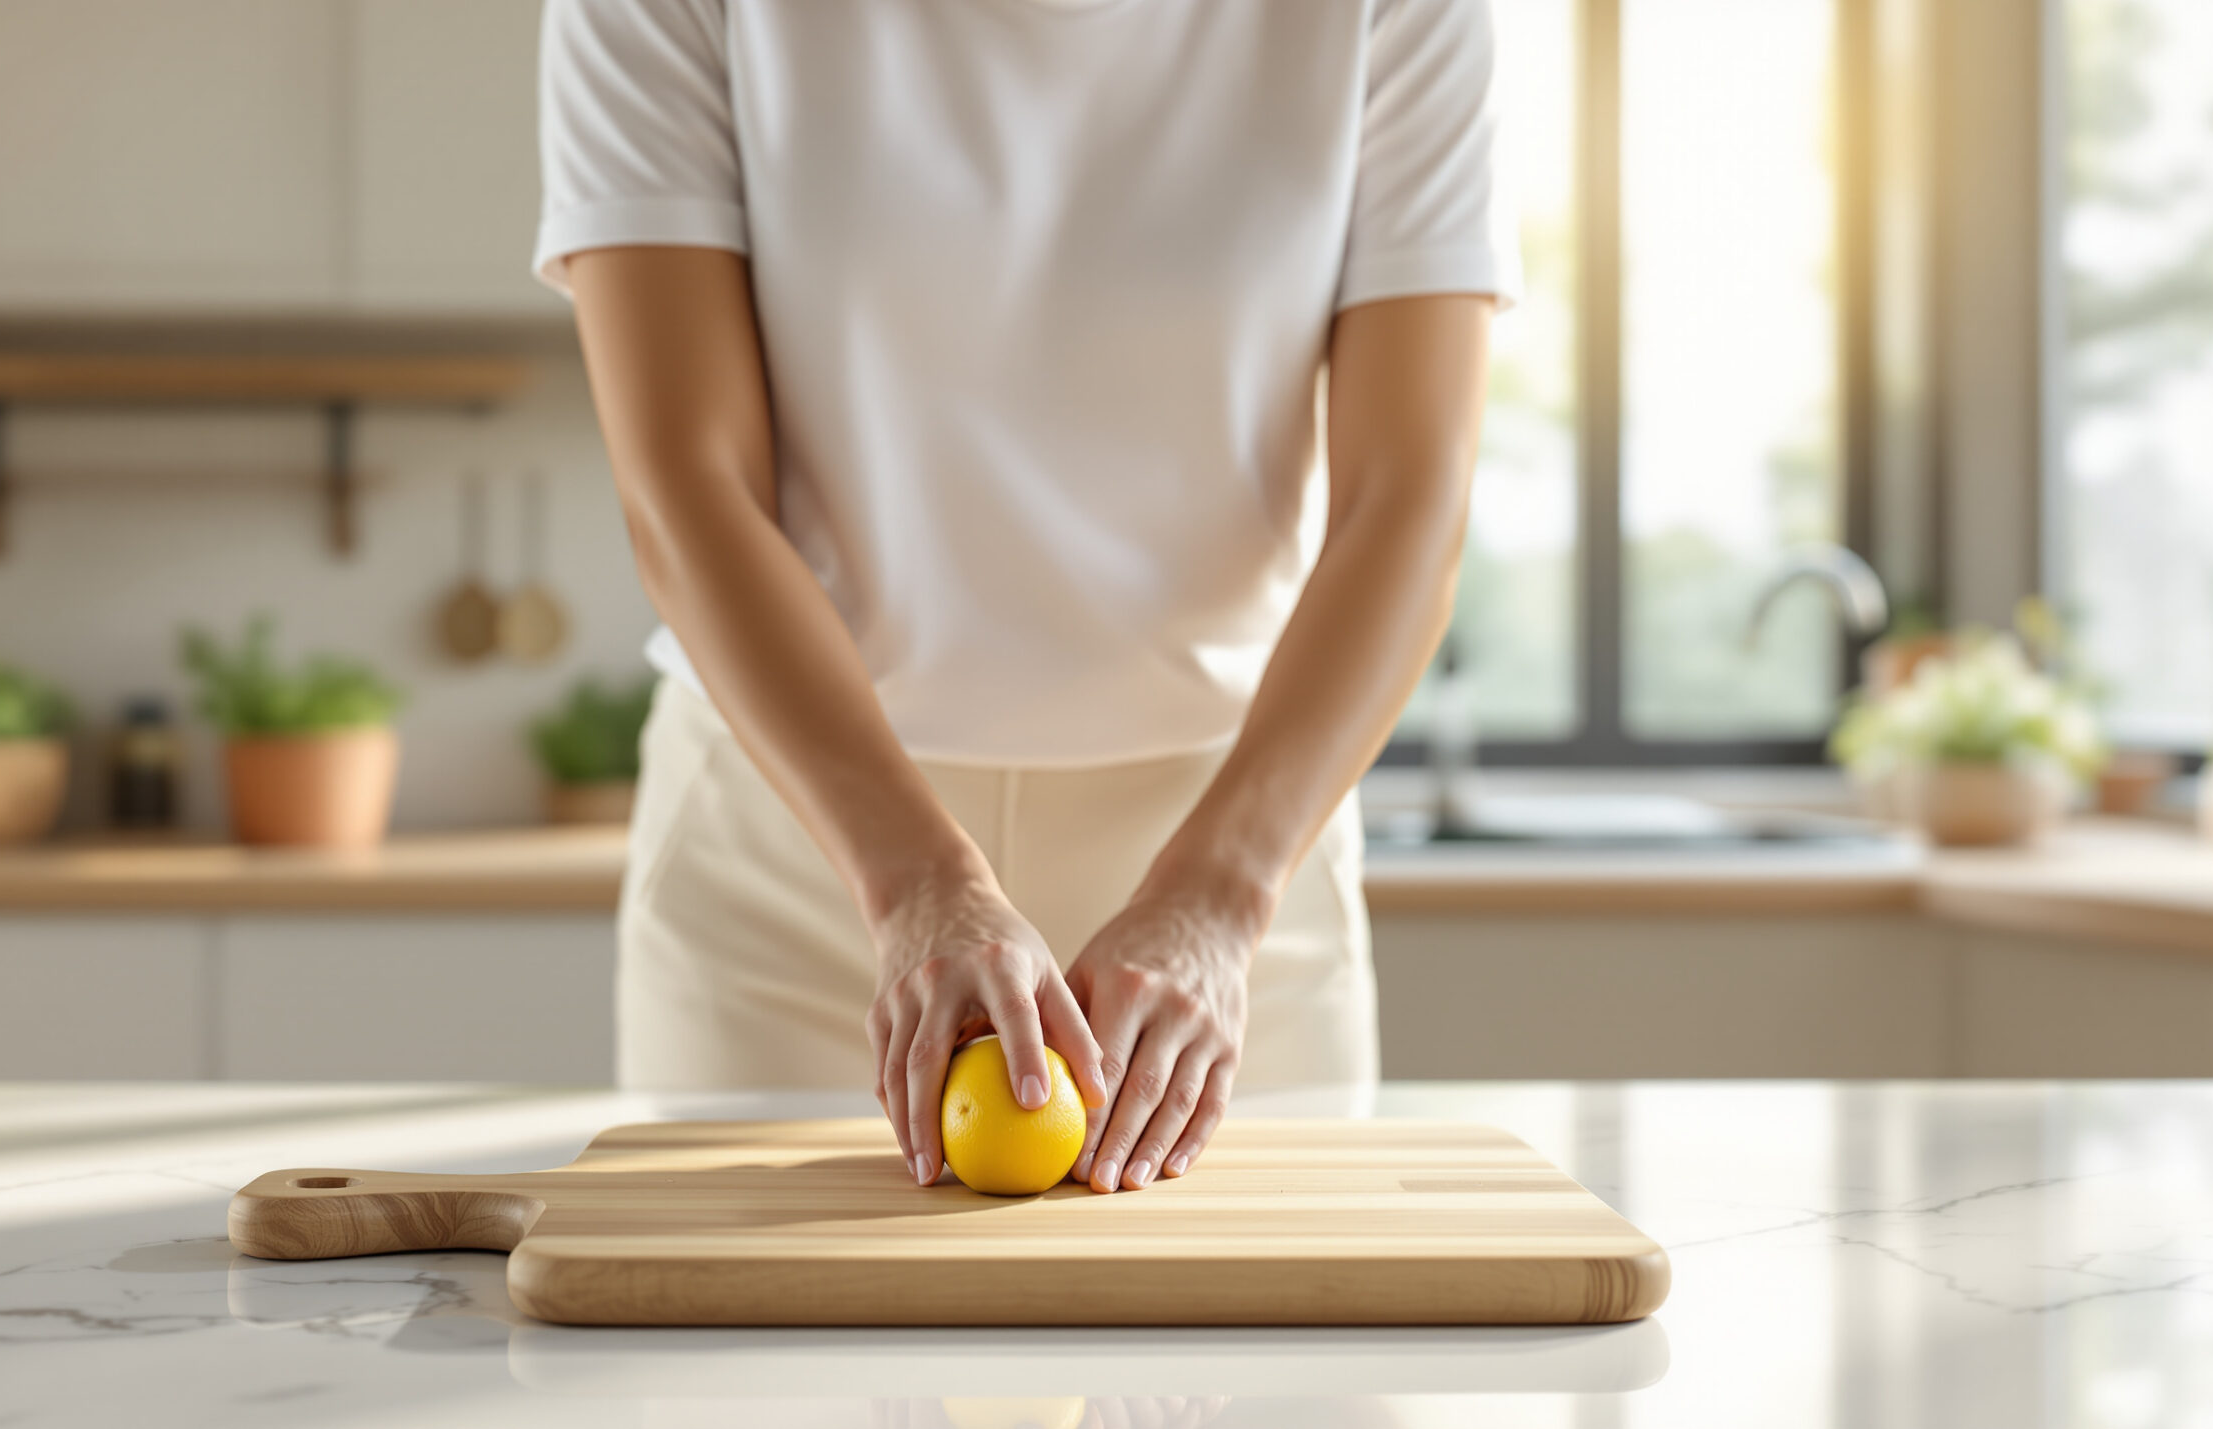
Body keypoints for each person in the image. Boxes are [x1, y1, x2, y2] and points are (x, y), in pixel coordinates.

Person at [534, 0, 1516, 1195]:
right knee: (750, 1364)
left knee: (1265, 1366)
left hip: (1232, 844)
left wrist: (1216, 900)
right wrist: (916, 885)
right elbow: (689, 486)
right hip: (800, 858)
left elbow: (1405, 499)